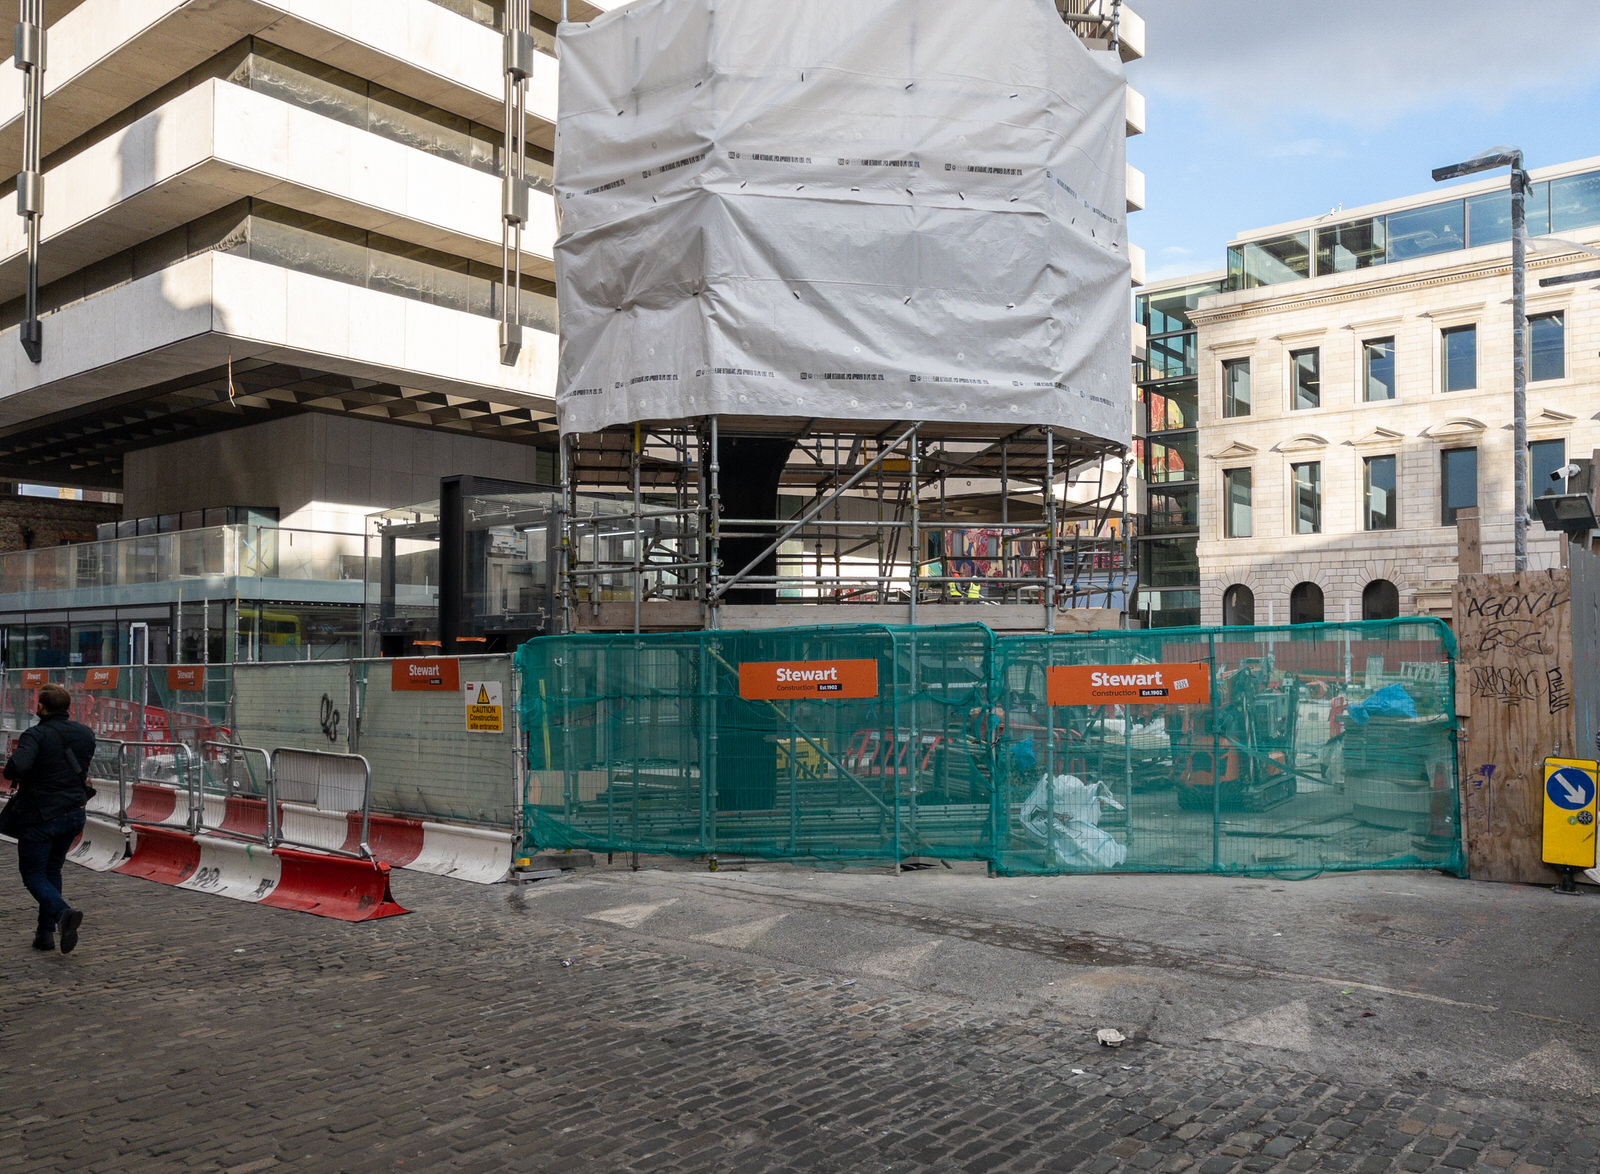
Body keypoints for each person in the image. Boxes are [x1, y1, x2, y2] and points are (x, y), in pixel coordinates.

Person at [3, 683, 96, 953]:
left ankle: (62, 914)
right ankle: (45, 935)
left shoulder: (36, 735)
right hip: (73, 812)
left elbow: (16, 768)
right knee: (52, 870)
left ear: (41, 707)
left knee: (32, 873)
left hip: (40, 814)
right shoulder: (85, 733)